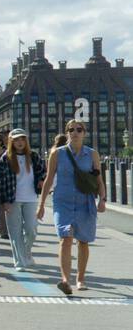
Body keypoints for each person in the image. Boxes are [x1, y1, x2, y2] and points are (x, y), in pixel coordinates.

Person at [36, 120, 106, 295]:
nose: (75, 132)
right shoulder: (57, 154)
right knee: (65, 238)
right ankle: (65, 280)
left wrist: (102, 199)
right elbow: (49, 179)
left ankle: (80, 279)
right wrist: (42, 204)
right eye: (71, 130)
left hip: (85, 202)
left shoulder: (92, 154)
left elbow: (98, 179)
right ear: (67, 133)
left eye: (79, 130)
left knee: (83, 241)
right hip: (63, 202)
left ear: (84, 133)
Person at [0, 128, 45, 270]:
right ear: (11, 141)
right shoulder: (5, 158)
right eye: (16, 139)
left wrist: (41, 180)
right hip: (12, 199)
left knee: (32, 229)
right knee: (15, 231)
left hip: (30, 197)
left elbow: (43, 172)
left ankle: (26, 253)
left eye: (22, 139)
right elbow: (1, 180)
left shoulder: (34, 156)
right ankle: (19, 261)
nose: (20, 142)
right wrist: (5, 201)